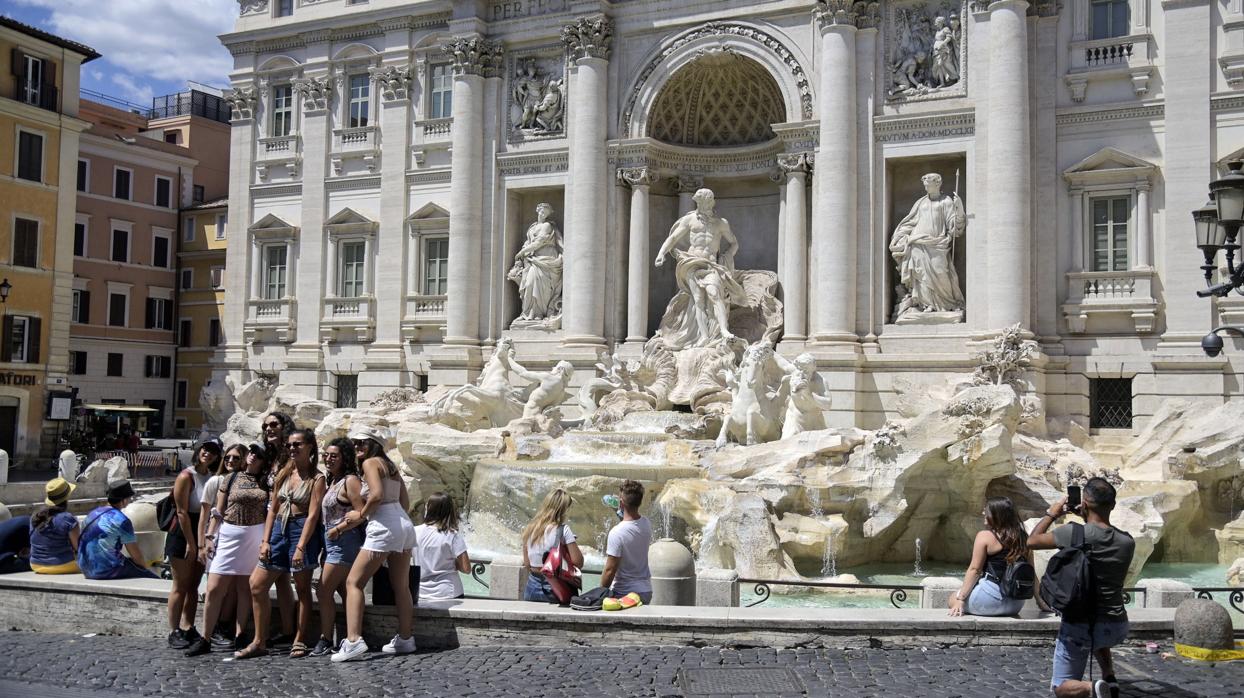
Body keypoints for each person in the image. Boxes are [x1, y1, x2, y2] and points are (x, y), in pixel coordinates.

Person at [1029, 478, 1135, 698]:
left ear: (1085, 503)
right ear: (1113, 505)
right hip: (1116, 625)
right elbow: (1098, 535)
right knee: (1099, 638)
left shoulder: (1073, 533)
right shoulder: (1127, 542)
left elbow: (1032, 541)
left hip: (1081, 625)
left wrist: (1053, 513)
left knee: (1061, 688)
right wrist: (1086, 514)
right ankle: (1110, 676)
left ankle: (1093, 687)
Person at [235, 429, 325, 660]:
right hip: (278, 531)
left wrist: (301, 546)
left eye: (298, 444)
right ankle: (259, 640)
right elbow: (273, 509)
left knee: (303, 588)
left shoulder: (317, 478)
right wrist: (265, 541)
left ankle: (300, 638)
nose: (293, 448)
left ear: (310, 447)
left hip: (301, 530)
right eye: (290, 445)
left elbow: (313, 515)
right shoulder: (285, 472)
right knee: (256, 584)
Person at [332, 425, 418, 662]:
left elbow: (377, 494)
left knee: (353, 582)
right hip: (403, 523)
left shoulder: (370, 464)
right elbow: (404, 501)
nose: (358, 446)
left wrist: (361, 515)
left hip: (384, 526)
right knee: (401, 585)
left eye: (363, 442)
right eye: (356, 443)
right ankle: (405, 638)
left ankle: (353, 641)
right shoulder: (391, 466)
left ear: (374, 445)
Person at [185, 443, 272, 656]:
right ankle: (205, 637)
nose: (253, 456)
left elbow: (271, 510)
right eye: (251, 452)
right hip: (229, 533)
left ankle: (240, 634)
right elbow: (218, 510)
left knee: (245, 588)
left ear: (263, 460)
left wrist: (265, 540)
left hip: (255, 534)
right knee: (214, 587)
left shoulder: (267, 481)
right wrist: (209, 537)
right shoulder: (230, 478)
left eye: (258, 455)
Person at [311, 438, 366, 657]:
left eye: (334, 455)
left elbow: (362, 513)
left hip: (344, 541)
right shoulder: (333, 480)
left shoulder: (350, 480)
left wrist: (339, 529)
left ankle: (327, 639)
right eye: (326, 455)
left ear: (344, 458)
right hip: (332, 541)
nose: (328, 459)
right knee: (342, 590)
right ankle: (350, 635)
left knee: (323, 590)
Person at [166, 439, 222, 649]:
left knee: (192, 586)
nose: (208, 453)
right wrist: (192, 543)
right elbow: (181, 512)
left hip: (200, 532)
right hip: (182, 534)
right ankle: (173, 630)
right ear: (199, 450)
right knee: (179, 586)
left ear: (217, 456)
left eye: (213, 451)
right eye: (205, 449)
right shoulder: (185, 476)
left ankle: (188, 626)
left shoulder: (210, 477)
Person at [948, 496, 1031, 617]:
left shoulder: (985, 536)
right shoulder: (1024, 538)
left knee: (952, 598)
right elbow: (1031, 573)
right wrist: (1041, 603)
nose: (983, 513)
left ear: (997, 515)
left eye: (986, 510)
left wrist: (960, 599)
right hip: (1016, 605)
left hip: (988, 601)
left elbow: (975, 570)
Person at [198, 440, 243, 650]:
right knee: (215, 586)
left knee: (233, 587)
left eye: (236, 458)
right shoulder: (215, 482)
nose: (231, 461)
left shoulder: (245, 482)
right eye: (228, 458)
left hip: (237, 538)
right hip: (215, 538)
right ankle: (212, 629)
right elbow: (205, 515)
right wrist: (202, 543)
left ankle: (223, 627)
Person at [261, 411, 298, 645]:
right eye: (265, 426)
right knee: (282, 580)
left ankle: (260, 637)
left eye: (274, 424)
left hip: (284, 522)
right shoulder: (272, 457)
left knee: (260, 582)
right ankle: (287, 630)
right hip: (269, 519)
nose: (269, 429)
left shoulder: (290, 455)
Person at [78, 480, 158, 580]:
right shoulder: (122, 520)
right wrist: (145, 569)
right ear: (123, 500)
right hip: (106, 570)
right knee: (152, 578)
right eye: (129, 498)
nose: (129, 500)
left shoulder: (92, 514)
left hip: (86, 569)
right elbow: (135, 555)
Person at [520, 488, 583, 603]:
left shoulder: (530, 529)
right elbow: (578, 562)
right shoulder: (563, 530)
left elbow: (527, 563)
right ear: (563, 509)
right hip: (556, 588)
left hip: (532, 587)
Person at [600, 480, 652, 607]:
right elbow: (631, 525)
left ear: (621, 503)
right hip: (645, 591)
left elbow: (610, 570)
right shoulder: (646, 523)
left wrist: (600, 593)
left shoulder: (616, 533)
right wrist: (620, 511)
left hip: (623, 593)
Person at [415, 492, 470, 601]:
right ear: (450, 511)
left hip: (420, 592)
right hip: (449, 592)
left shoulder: (414, 531)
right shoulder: (453, 535)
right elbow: (466, 568)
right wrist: (453, 562)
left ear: (428, 509)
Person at [29, 477, 81, 574]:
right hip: (62, 565)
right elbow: (78, 547)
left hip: (35, 564)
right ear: (67, 497)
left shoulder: (35, 515)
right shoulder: (67, 518)